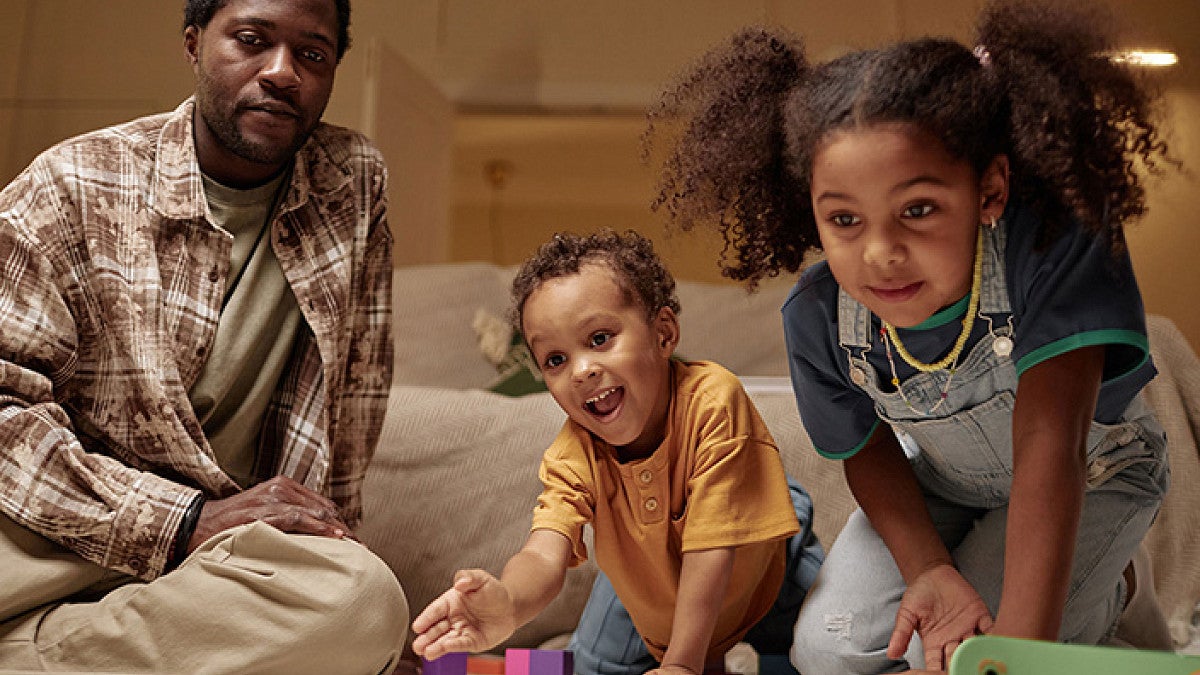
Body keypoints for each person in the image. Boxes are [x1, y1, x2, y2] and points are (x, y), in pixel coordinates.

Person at [646, 1, 1173, 673]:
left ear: (989, 190)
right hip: (946, 485)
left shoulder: (1051, 248)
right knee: (827, 650)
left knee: (968, 653)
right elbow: (865, 449)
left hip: (1092, 471)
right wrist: (928, 568)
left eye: (918, 209)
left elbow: (1053, 446)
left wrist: (1010, 657)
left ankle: (1113, 588)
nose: (881, 253)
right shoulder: (817, 316)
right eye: (845, 219)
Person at [0, 0, 406, 672]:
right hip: (47, 545)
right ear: (193, 44)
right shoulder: (74, 183)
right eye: (251, 39)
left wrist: (326, 544)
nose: (282, 72)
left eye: (312, 53)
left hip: (208, 576)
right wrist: (186, 519)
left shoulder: (350, 183)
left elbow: (353, 404)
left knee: (363, 599)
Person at [411, 230, 823, 675]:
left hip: (766, 566)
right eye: (555, 360)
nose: (581, 370)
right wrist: (509, 605)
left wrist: (683, 664)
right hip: (648, 577)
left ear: (663, 334)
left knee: (823, 653)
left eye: (599, 338)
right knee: (590, 667)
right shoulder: (573, 455)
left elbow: (713, 549)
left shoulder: (713, 402)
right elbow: (544, 553)